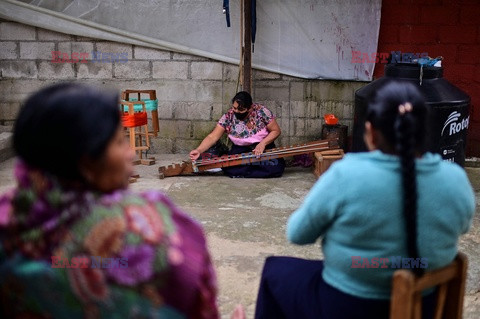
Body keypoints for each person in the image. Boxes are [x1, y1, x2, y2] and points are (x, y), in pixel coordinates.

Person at [0, 83, 227, 319]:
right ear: (87, 163)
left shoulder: (9, 223)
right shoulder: (151, 230)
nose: (131, 153)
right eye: (120, 142)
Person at [253, 81, 475, 319]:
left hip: (348, 306)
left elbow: (298, 234)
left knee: (274, 272)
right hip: (425, 307)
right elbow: (463, 226)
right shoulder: (455, 179)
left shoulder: (345, 174)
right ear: (424, 131)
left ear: (370, 132)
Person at [189, 91, 285, 178]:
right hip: (240, 150)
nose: (237, 112)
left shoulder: (261, 112)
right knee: (229, 168)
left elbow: (276, 131)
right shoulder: (229, 116)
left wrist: (263, 143)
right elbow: (212, 136)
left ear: (250, 108)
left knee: (275, 168)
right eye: (234, 108)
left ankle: (245, 171)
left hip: (261, 148)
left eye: (241, 109)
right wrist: (199, 150)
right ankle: (249, 169)